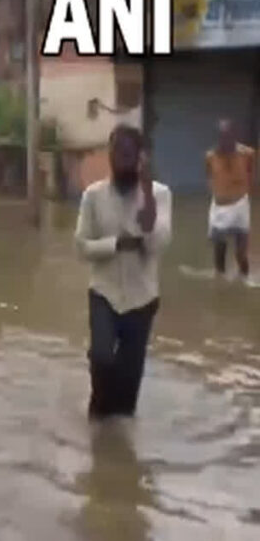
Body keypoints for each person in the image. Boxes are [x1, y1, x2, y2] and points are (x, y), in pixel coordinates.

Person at [75, 124, 172, 420]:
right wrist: (115, 245)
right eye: (117, 152)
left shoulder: (160, 194)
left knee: (128, 388)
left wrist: (147, 198)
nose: (122, 160)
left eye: (129, 154)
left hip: (141, 299)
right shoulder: (93, 195)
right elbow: (81, 246)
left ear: (140, 157)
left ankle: (119, 450)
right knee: (102, 358)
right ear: (109, 155)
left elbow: (158, 244)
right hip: (103, 293)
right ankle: (98, 416)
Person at [205, 119, 255, 279]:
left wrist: (242, 191)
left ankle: (245, 280)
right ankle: (220, 281)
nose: (224, 139)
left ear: (234, 135)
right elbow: (209, 177)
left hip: (240, 205)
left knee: (241, 253)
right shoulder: (210, 156)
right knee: (219, 251)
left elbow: (251, 175)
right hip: (220, 207)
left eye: (228, 135)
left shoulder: (248, 154)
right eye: (221, 135)